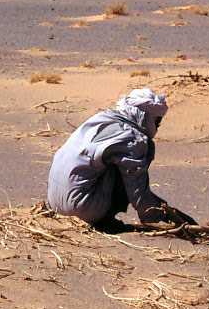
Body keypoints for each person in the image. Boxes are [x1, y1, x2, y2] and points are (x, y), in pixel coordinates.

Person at [46, 87, 196, 231]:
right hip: (81, 208)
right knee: (131, 164)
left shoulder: (101, 118)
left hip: (55, 203)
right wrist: (172, 217)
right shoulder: (132, 138)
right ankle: (103, 219)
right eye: (157, 122)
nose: (157, 128)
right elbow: (139, 194)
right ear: (144, 116)